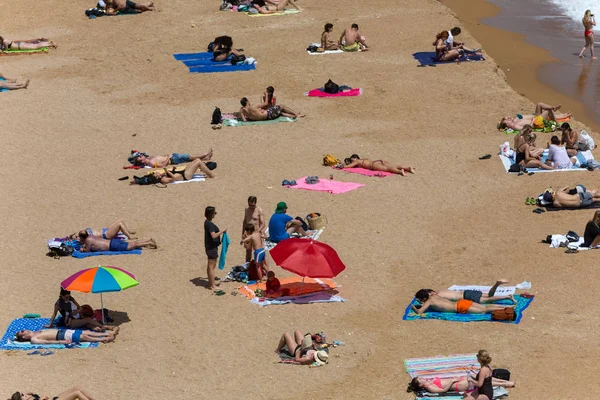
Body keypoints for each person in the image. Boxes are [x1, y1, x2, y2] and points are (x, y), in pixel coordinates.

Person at [45, 289, 119, 334]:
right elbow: (54, 314)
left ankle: (97, 328)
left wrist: (76, 311)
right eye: (66, 297)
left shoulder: (71, 299)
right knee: (87, 320)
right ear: (61, 295)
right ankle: (105, 326)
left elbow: (80, 308)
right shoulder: (58, 304)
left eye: (68, 296)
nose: (67, 298)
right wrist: (50, 324)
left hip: (76, 316)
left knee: (86, 322)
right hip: (69, 322)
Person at [415, 279, 516, 305]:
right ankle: (497, 284)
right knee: (489, 295)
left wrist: (423, 303)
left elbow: (437, 303)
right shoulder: (439, 291)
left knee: (489, 300)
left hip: (466, 297)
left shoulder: (436, 296)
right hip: (467, 292)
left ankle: (507, 297)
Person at [411, 291, 515, 315]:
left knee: (484, 310)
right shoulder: (434, 295)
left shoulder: (429, 301)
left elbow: (420, 312)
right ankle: (507, 306)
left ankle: (506, 308)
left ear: (424, 298)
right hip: (462, 301)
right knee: (486, 306)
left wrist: (414, 308)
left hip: (460, 306)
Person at [407, 375, 515, 395]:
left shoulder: (429, 382)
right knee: (481, 382)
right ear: (421, 385)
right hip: (459, 385)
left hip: (458, 381)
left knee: (479, 378)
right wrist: (452, 380)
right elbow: (443, 390)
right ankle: (506, 383)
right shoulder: (430, 387)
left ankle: (504, 382)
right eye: (420, 379)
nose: (422, 378)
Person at [498, 103, 572, 131]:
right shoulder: (515, 125)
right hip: (536, 123)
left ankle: (553, 108)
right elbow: (526, 129)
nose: (508, 118)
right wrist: (531, 121)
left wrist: (533, 117)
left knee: (539, 104)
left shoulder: (515, 120)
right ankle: (559, 126)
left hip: (535, 119)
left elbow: (524, 117)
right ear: (507, 124)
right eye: (507, 119)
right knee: (547, 111)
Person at [204, 206, 227, 290]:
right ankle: (212, 285)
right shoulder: (209, 224)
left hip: (210, 247)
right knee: (211, 265)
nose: (215, 214)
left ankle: (210, 283)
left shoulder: (207, 222)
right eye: (214, 213)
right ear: (211, 214)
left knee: (210, 265)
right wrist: (222, 231)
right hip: (211, 247)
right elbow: (213, 235)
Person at [77, 230, 156, 252]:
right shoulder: (91, 236)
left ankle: (149, 243)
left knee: (132, 246)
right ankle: (148, 240)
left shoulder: (88, 240)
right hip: (112, 242)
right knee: (132, 243)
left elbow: (87, 250)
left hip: (112, 246)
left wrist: (82, 249)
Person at [343, 154, 415, 176]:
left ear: (354, 158)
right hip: (377, 161)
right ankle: (408, 168)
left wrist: (342, 166)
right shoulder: (363, 159)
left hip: (373, 165)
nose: (352, 162)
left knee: (388, 169)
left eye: (352, 160)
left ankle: (400, 172)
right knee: (393, 166)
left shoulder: (358, 162)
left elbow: (349, 166)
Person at [129, 149, 213, 168]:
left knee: (189, 158)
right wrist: (168, 157)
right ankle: (205, 154)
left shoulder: (149, 158)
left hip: (173, 157)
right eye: (140, 157)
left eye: (140, 155)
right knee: (189, 156)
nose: (141, 155)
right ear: (142, 161)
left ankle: (205, 158)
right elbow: (162, 166)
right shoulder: (151, 163)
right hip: (172, 159)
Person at [15, 329, 115, 344]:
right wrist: (60, 342)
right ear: (23, 337)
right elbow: (46, 342)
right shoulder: (33, 339)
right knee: (84, 337)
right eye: (22, 331)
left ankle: (106, 333)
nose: (25, 330)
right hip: (60, 336)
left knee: (86, 332)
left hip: (62, 331)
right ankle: (104, 339)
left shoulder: (36, 331)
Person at [242, 196, 265, 262]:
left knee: (257, 250)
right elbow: (245, 221)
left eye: (252, 205)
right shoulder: (247, 209)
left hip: (256, 233)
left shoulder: (259, 210)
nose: (251, 207)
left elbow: (263, 224)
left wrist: (257, 232)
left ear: (255, 203)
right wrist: (243, 232)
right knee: (248, 251)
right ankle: (247, 266)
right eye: (249, 205)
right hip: (248, 233)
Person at [239, 97, 304, 121]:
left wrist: (252, 117)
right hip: (269, 115)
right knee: (281, 106)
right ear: (247, 101)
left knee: (279, 113)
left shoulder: (242, 111)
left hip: (266, 117)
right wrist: (266, 94)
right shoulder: (253, 106)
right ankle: (296, 114)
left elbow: (244, 120)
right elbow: (266, 103)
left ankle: (293, 116)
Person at [69, 219, 137, 241]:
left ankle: (128, 231)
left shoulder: (82, 234)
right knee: (119, 224)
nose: (77, 235)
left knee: (120, 220)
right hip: (106, 235)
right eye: (76, 237)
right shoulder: (85, 238)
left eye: (76, 235)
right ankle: (129, 237)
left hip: (104, 230)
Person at [11, 386, 98, 400]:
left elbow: (30, 392)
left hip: (55, 399)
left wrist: (28, 395)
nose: (25, 394)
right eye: (22, 395)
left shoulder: (29, 397)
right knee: (77, 393)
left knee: (77, 387)